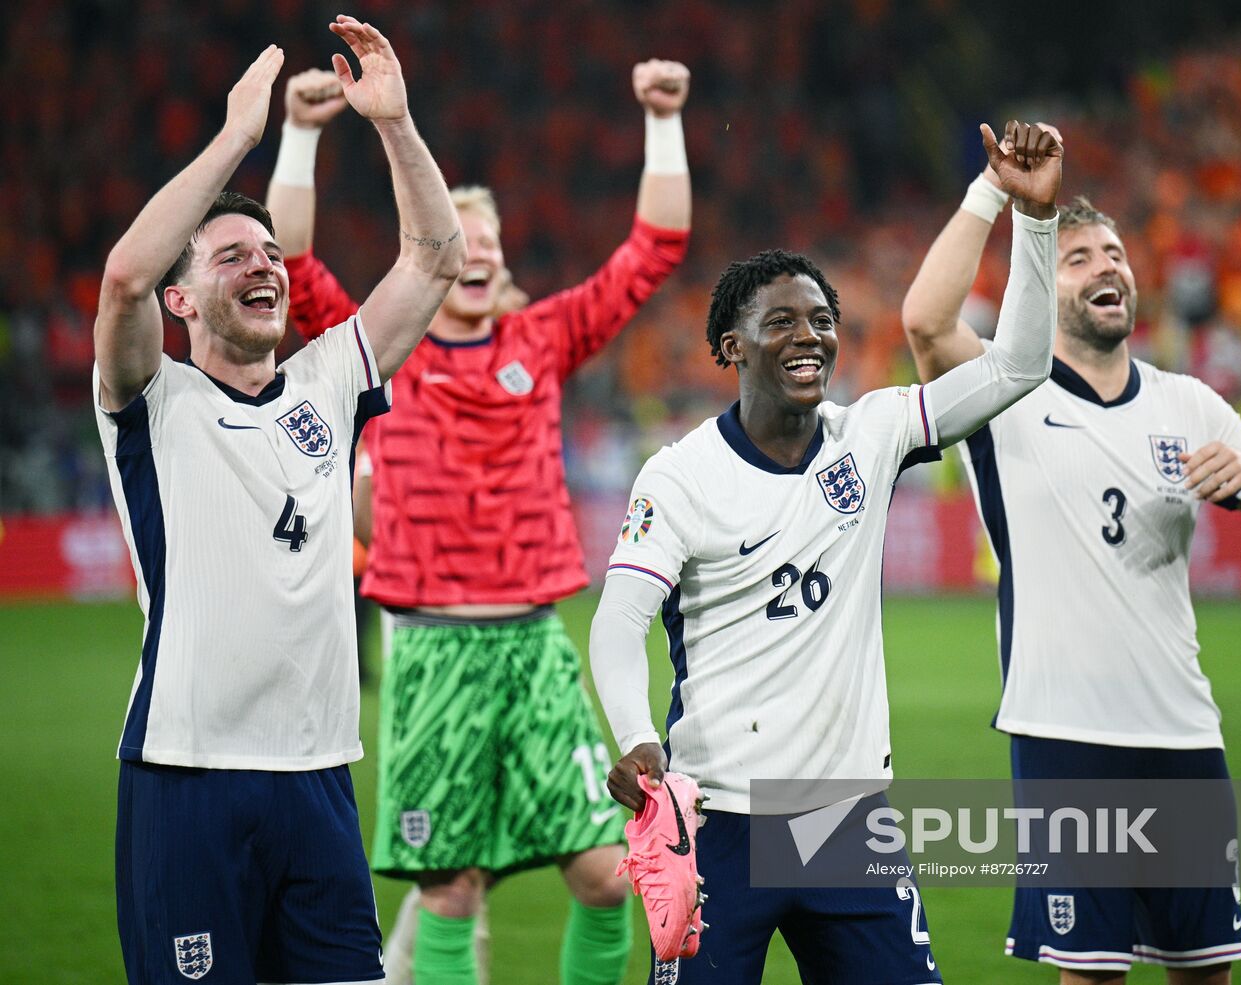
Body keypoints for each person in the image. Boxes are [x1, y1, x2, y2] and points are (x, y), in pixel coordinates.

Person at [591, 120, 1062, 984]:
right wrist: (634, 738)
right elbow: (619, 622)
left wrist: (1024, 215)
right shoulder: (680, 475)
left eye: (821, 319)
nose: (809, 335)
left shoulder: (872, 433)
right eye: (781, 322)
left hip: (849, 821)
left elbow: (1017, 368)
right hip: (723, 818)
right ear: (732, 348)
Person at [265, 58, 693, 985]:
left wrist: (663, 119)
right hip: (429, 650)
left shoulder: (540, 340)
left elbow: (654, 248)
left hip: (535, 644)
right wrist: (299, 136)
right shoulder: (379, 350)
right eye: (462, 235)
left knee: (605, 876)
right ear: (438, 252)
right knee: (450, 888)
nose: (479, 249)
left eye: (491, 237)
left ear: (501, 264)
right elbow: (292, 264)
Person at [901, 127, 1241, 985]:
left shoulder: (1188, 401)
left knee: (1206, 971)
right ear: (1044, 286)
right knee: (1091, 974)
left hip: (1184, 732)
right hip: (1066, 736)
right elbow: (925, 322)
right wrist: (998, 193)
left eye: (1117, 254)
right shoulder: (1005, 396)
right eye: (1079, 256)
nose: (1108, 267)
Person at [92, 20, 464, 985]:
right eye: (228, 257)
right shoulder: (151, 401)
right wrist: (235, 140)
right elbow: (126, 275)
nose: (264, 264)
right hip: (186, 776)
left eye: (270, 251)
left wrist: (396, 124)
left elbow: (433, 260)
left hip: (316, 781)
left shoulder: (328, 381)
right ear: (181, 303)